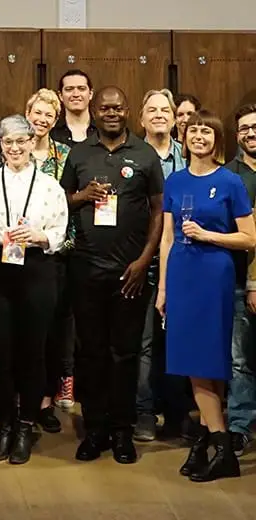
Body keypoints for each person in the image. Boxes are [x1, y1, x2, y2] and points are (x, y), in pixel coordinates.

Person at [60, 86, 164, 465]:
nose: (111, 113)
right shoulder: (80, 153)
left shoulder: (145, 154)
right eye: (104, 107)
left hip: (131, 274)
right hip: (86, 270)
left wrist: (144, 260)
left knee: (125, 354)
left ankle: (122, 431)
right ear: (94, 110)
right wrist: (82, 196)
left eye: (118, 107)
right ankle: (95, 430)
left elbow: (157, 210)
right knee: (91, 354)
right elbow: (61, 202)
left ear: (127, 110)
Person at [156, 109, 256, 482]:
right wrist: (163, 288)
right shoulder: (175, 181)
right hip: (181, 275)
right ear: (185, 136)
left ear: (217, 139)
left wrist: (208, 235)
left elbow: (250, 238)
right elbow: (167, 238)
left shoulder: (231, 181)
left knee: (206, 364)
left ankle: (219, 446)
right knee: (193, 365)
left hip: (214, 274)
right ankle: (212, 443)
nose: (199, 136)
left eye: (207, 131)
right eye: (194, 129)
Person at [0, 115, 68, 465]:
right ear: (1, 145)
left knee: (33, 351)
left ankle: (26, 425)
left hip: (36, 268)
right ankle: (4, 426)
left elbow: (61, 231)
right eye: (8, 142)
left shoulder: (49, 185)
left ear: (32, 144)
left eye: (21, 142)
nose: (14, 148)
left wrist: (41, 236)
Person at [135, 89, 192, 442]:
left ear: (175, 119)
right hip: (142, 263)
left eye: (165, 110)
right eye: (151, 110)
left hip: (182, 264)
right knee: (141, 343)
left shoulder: (187, 162)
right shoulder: (133, 157)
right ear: (141, 119)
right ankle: (143, 413)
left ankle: (177, 412)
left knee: (177, 341)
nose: (159, 115)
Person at [25, 88, 75, 429]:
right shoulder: (13, 150)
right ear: (27, 113)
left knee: (49, 333)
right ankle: (18, 399)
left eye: (48, 115)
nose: (41, 120)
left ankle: (44, 401)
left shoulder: (65, 154)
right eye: (37, 113)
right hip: (12, 254)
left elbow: (71, 203)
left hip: (53, 254)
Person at [224, 103, 256, 457]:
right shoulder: (230, 177)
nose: (251, 133)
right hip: (239, 280)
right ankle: (239, 425)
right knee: (241, 358)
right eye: (245, 128)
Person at [51, 69, 96, 147]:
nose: (76, 94)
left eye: (81, 88)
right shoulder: (51, 131)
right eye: (69, 89)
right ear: (60, 95)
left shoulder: (103, 130)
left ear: (90, 94)